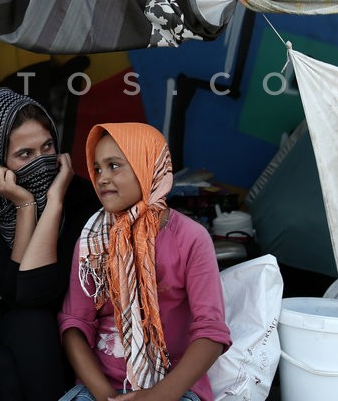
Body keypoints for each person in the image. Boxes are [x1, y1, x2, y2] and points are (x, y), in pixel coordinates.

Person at [57, 123, 231, 401]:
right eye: (97, 169)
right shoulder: (92, 242)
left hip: (173, 390)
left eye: (114, 166)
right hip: (100, 390)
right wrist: (105, 396)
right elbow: (74, 326)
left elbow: (211, 333)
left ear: (148, 167)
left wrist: (153, 397)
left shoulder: (191, 238)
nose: (102, 178)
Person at [0, 87, 101, 401]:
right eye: (25, 154)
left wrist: (55, 202)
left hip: (76, 332)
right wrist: (25, 206)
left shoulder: (81, 197)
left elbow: (42, 293)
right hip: (23, 327)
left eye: (47, 147)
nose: (41, 162)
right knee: (30, 323)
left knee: (4, 368)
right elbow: (16, 293)